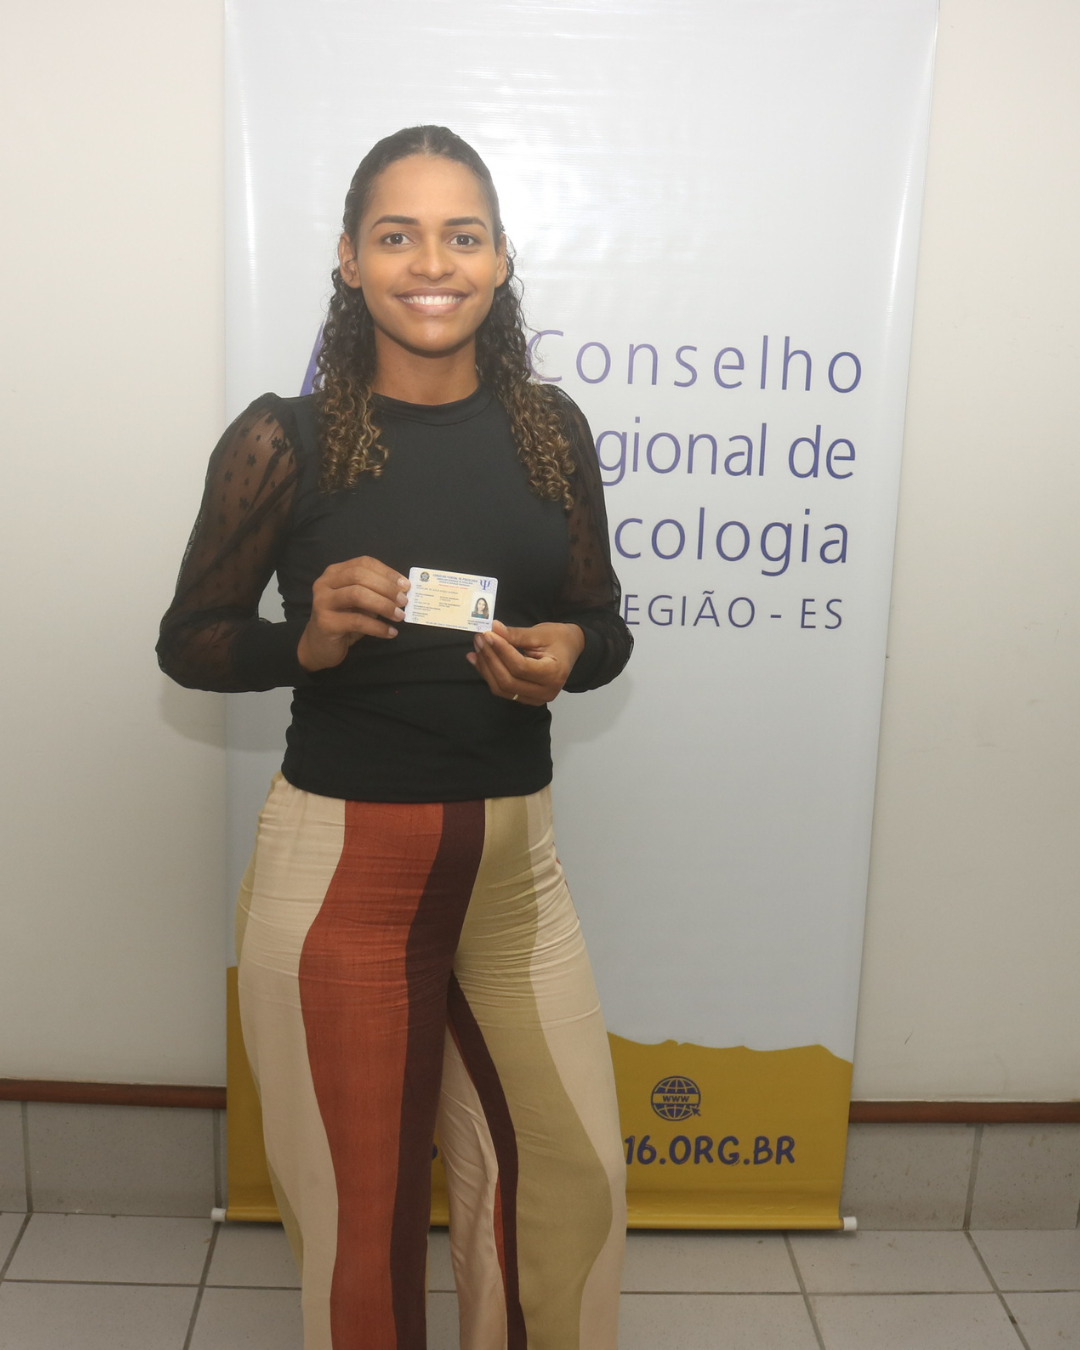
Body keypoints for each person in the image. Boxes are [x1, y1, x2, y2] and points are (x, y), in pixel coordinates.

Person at [158, 124, 632, 1350]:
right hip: (341, 882)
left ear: (501, 258)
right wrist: (304, 644)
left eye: (461, 235)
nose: (432, 263)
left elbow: (603, 625)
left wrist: (571, 653)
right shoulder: (284, 438)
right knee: (360, 1240)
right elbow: (190, 641)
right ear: (349, 259)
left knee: (570, 1188)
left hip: (514, 878)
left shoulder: (552, 430)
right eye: (397, 235)